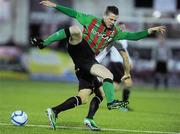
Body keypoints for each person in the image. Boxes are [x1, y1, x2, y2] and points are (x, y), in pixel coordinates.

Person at [30, 0, 166, 130]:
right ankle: (43, 43)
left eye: (115, 20)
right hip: (79, 48)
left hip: (84, 63)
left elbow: (134, 36)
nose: (112, 22)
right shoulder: (92, 20)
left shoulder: (115, 32)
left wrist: (151, 30)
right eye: (111, 19)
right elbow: (73, 13)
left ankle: (56, 111)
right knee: (77, 31)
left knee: (89, 96)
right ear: (104, 16)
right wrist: (54, 5)